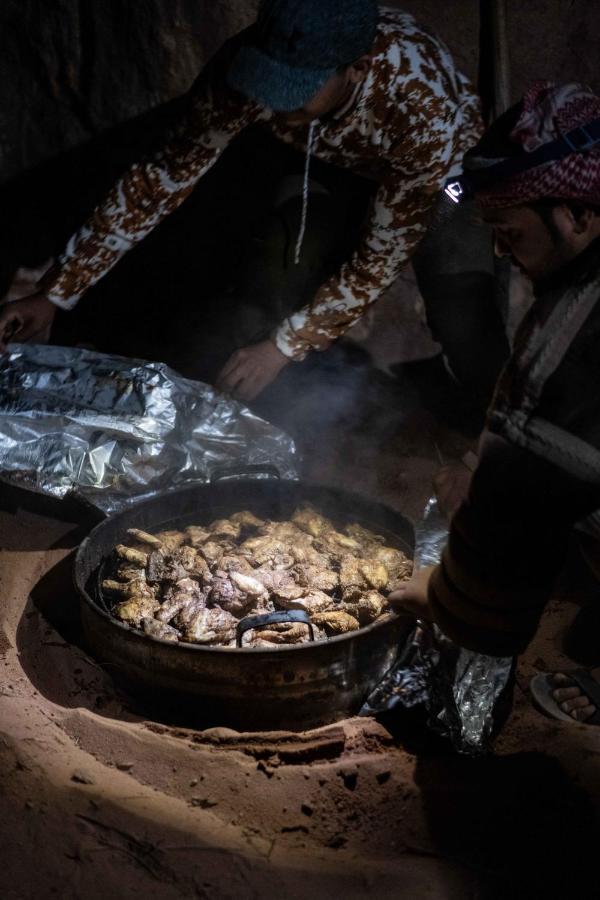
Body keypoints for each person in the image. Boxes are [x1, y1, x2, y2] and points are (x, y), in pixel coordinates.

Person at [0, 0, 509, 406]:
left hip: (439, 175)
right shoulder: (252, 67)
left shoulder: (422, 111)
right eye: (269, 81)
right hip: (327, 151)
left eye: (296, 87)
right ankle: (280, 405)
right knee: (279, 264)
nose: (272, 100)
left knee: (463, 307)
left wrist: (282, 348)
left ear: (357, 67)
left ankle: (487, 437)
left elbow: (378, 258)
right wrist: (57, 292)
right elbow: (162, 176)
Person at [391, 81, 600, 726]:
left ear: (576, 215)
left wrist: (449, 596)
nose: (504, 255)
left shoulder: (577, 326)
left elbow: (523, 502)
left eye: (510, 233)